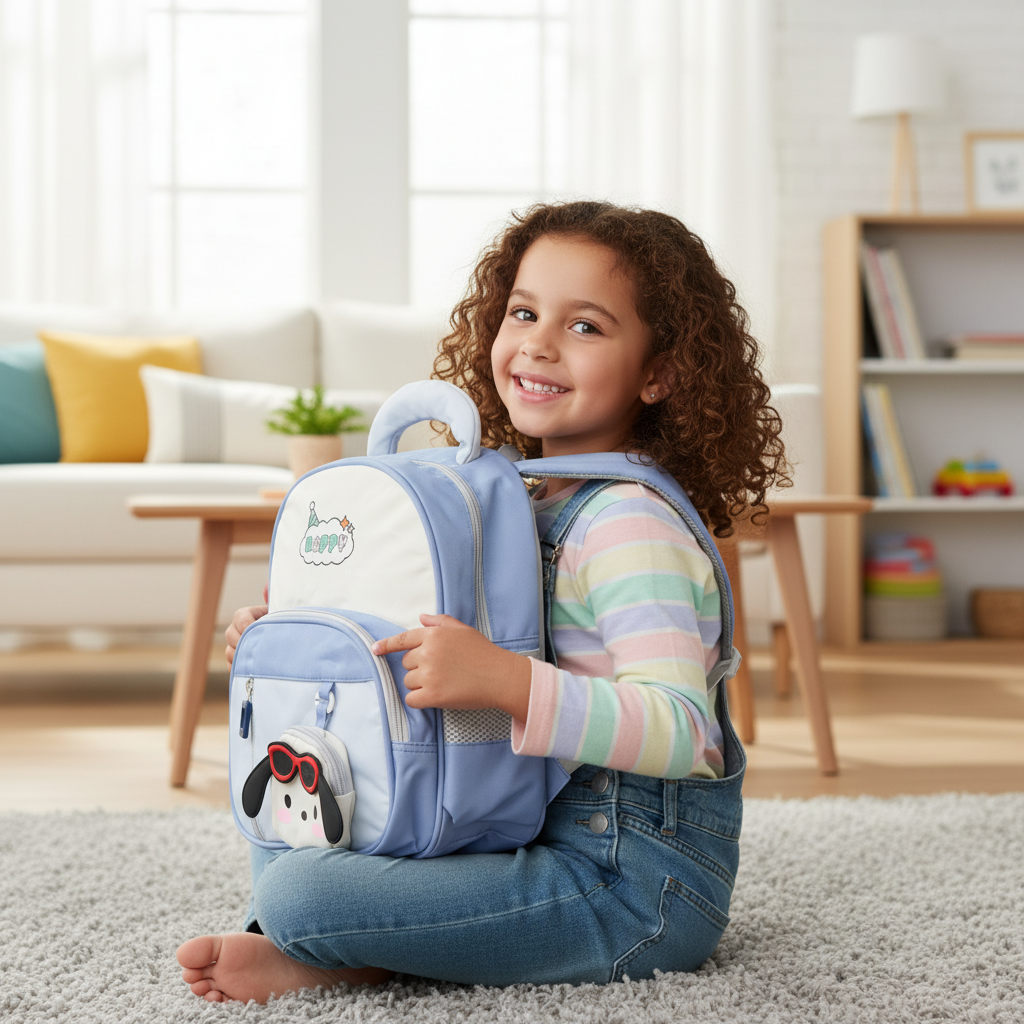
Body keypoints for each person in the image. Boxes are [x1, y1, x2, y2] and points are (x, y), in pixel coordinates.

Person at [177, 200, 787, 1003]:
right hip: (508, 828)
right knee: (300, 806)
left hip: (631, 888)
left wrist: (502, 680)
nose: (537, 341)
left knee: (300, 894)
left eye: (586, 327)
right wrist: (291, 649)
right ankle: (345, 944)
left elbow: (684, 733)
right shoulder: (505, 505)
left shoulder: (630, 524)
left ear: (660, 371)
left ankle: (332, 947)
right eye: (525, 312)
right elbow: (423, 665)